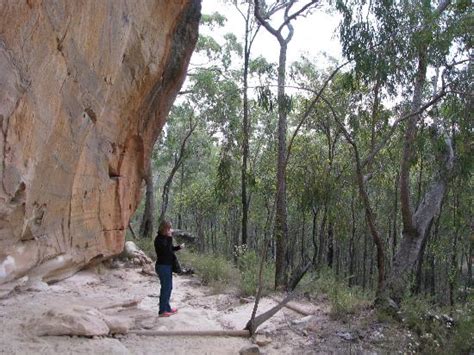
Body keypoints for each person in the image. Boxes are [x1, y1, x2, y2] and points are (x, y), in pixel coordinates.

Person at [154, 220, 185, 317]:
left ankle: (167, 308)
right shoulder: (159, 239)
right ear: (164, 228)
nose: (170, 230)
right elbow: (165, 251)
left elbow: (170, 249)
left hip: (167, 266)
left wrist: (179, 247)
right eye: (168, 228)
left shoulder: (165, 238)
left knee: (169, 288)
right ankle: (162, 311)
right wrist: (170, 238)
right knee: (165, 288)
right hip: (162, 266)